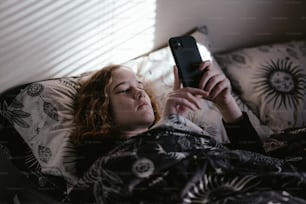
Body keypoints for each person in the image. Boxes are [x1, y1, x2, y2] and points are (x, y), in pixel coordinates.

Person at [70, 61, 264, 177]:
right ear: (99, 108)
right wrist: (167, 129)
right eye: (124, 90)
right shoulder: (94, 153)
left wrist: (226, 104)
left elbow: (257, 160)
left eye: (140, 86)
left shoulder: (183, 130)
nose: (139, 92)